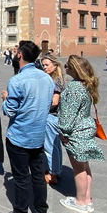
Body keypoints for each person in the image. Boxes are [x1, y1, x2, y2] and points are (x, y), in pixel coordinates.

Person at [0, 41, 54, 213]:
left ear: (20, 55)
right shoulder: (47, 79)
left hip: (19, 137)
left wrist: (5, 100)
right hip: (38, 136)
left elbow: (10, 111)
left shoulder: (16, 81)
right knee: (38, 176)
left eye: (16, 52)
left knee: (21, 177)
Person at [59, 55, 105, 213]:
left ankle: (80, 202)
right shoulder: (86, 85)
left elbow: (67, 115)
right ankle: (87, 199)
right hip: (86, 128)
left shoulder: (74, 88)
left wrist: (63, 132)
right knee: (85, 166)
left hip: (76, 132)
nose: (65, 68)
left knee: (78, 168)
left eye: (67, 65)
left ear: (74, 68)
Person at [41, 56, 66, 185]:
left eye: (47, 65)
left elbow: (55, 101)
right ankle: (57, 170)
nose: (44, 67)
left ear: (55, 65)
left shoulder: (55, 80)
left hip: (51, 116)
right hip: (56, 117)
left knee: (49, 146)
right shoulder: (58, 78)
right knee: (55, 146)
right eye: (43, 65)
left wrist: (41, 109)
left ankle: (52, 173)